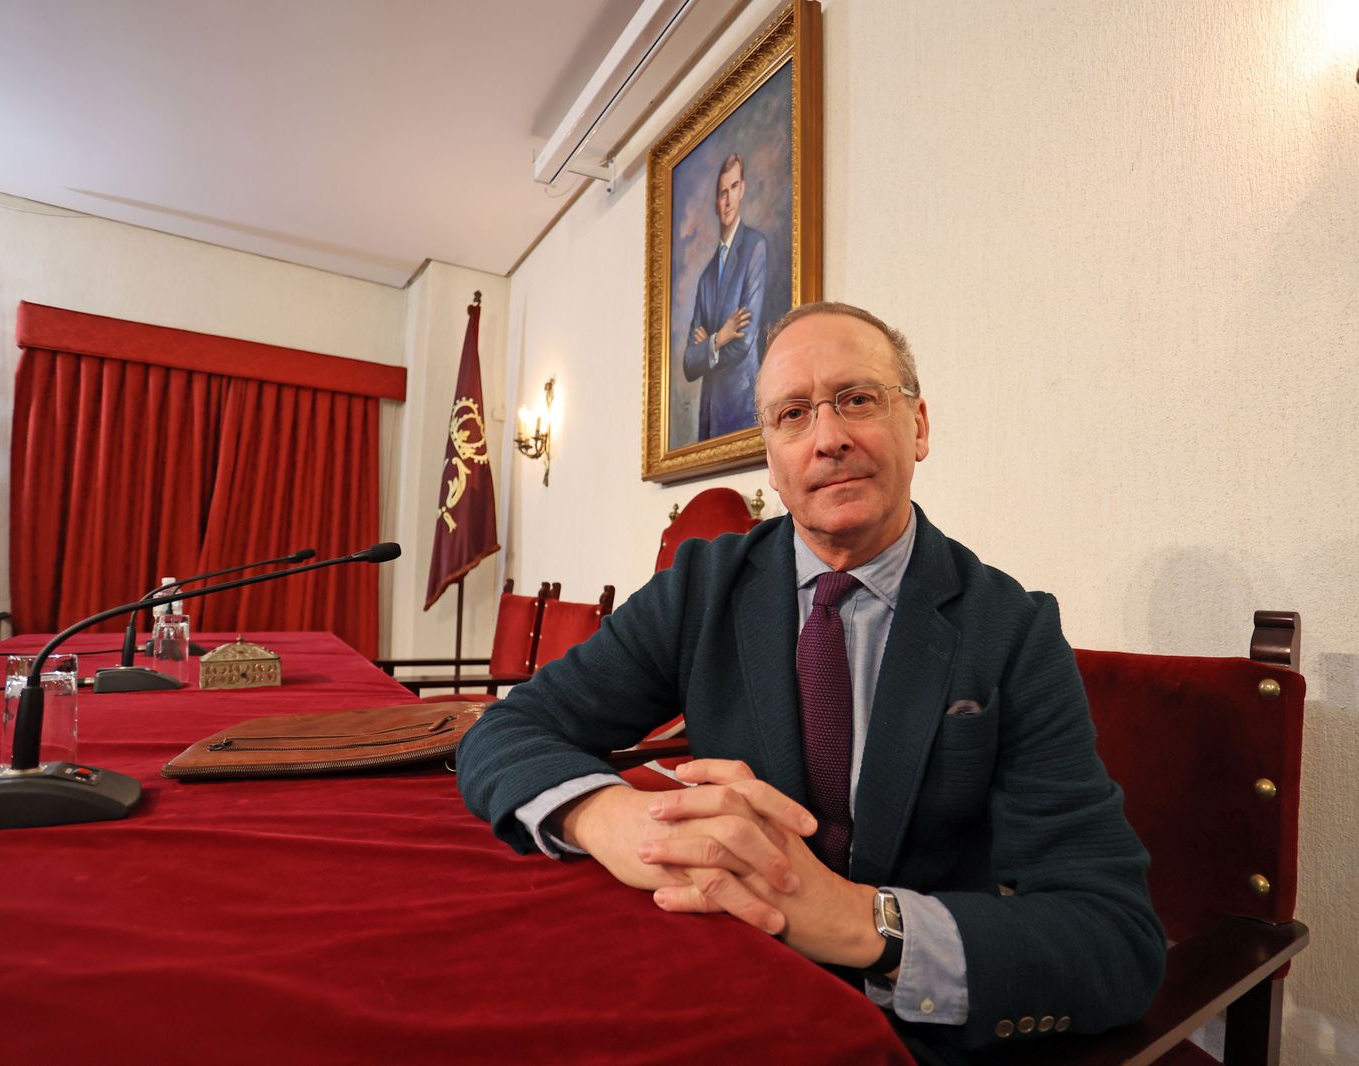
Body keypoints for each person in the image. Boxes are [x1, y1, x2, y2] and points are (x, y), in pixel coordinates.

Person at [457, 302, 1165, 1057]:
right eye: (794, 414)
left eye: (858, 399)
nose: (828, 437)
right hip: (718, 992)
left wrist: (862, 920)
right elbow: (507, 729)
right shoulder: (702, 588)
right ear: (772, 454)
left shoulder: (1012, 632)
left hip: (905, 1032)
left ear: (918, 426)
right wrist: (609, 818)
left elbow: (1116, 938)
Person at [681, 152, 767, 441]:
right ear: (716, 203)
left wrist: (706, 344)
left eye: (732, 188)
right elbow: (689, 364)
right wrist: (719, 338)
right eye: (721, 193)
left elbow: (744, 342)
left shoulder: (755, 247)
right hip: (709, 416)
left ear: (742, 189)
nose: (728, 200)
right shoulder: (706, 277)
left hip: (742, 409)